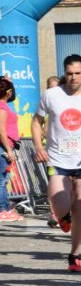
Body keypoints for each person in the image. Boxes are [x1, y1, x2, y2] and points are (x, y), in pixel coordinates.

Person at [32, 54, 81, 272]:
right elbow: (37, 122)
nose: (73, 77)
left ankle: (74, 255)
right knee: (60, 204)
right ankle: (62, 216)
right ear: (64, 73)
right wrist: (39, 147)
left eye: (77, 73)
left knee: (80, 208)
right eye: (69, 73)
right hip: (58, 158)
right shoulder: (51, 95)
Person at [0, 76, 23, 222]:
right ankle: (3, 209)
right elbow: (1, 130)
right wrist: (8, 150)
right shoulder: (2, 106)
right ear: (8, 91)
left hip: (6, 145)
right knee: (1, 179)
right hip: (3, 146)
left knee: (3, 179)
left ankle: (4, 208)